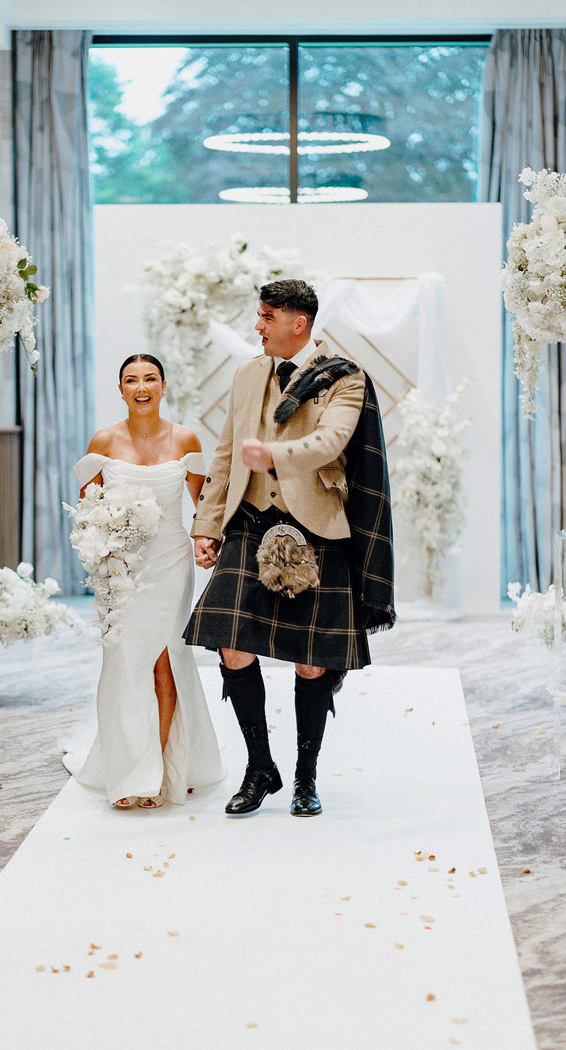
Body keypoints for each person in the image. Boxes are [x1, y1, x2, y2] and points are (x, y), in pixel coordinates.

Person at [184, 279, 395, 818]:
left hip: (317, 530)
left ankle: (306, 775)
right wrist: (206, 525)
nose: (257, 325)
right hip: (250, 526)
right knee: (230, 644)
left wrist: (274, 454)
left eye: (265, 316)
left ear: (297, 323)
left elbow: (330, 442)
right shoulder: (248, 373)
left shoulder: (344, 378)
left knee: (311, 662)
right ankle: (260, 768)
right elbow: (227, 454)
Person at [64, 354, 224, 809]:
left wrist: (208, 543)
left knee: (163, 661)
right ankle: (127, 768)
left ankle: (155, 774)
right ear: (120, 390)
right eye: (131, 380)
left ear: (164, 385)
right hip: (122, 569)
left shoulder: (185, 438)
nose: (141, 386)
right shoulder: (104, 440)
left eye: (149, 378)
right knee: (121, 662)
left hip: (171, 562)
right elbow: (87, 510)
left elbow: (205, 504)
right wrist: (105, 544)